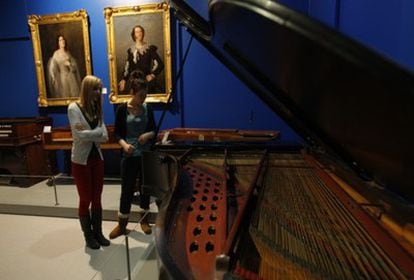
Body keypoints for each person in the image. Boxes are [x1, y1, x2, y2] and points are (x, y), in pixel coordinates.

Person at [110, 70, 156, 239]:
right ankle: (122, 225)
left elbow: (154, 129)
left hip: (145, 154)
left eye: (145, 95)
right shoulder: (122, 110)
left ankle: (144, 220)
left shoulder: (147, 108)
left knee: (145, 188)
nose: (143, 99)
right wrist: (124, 145)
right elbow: (117, 134)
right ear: (132, 93)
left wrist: (147, 135)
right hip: (129, 155)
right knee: (126, 190)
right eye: (141, 96)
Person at [68, 75, 110, 249]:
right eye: (95, 89)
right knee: (85, 198)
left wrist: (92, 133)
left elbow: (106, 136)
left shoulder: (96, 107)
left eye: (100, 89)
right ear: (87, 88)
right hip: (81, 161)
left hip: (96, 159)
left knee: (97, 197)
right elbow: (78, 136)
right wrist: (97, 132)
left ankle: (98, 233)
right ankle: (88, 236)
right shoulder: (74, 108)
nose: (98, 93)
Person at [118, 25, 164, 94]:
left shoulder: (149, 48)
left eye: (140, 31)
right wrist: (124, 80)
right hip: (134, 84)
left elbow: (160, 64)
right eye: (137, 32)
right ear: (133, 35)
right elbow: (127, 68)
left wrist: (152, 75)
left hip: (146, 84)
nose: (139, 34)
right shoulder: (130, 51)